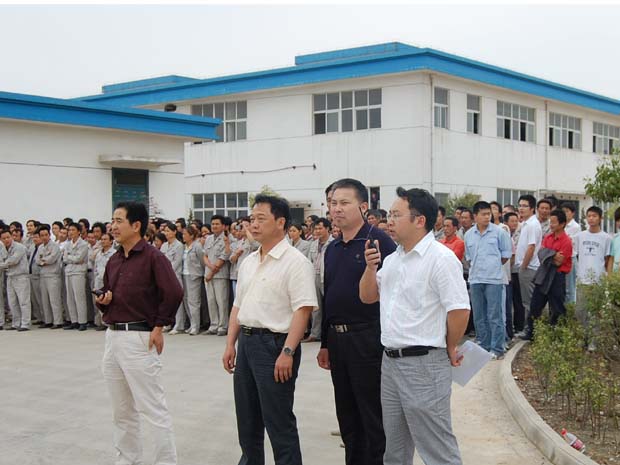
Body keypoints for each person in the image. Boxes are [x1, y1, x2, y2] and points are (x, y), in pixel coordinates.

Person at [359, 187, 470, 465]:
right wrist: (370, 268)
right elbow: (368, 297)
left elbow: (459, 310)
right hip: (390, 362)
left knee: (437, 449)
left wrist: (450, 345)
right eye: (389, 214)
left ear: (420, 220)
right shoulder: (393, 259)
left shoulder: (440, 259)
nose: (389, 221)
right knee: (395, 449)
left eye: (396, 215)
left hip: (424, 364)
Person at [222, 194, 317, 465]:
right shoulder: (249, 261)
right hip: (247, 344)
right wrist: (230, 344)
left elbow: (302, 310)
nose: (253, 224)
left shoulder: (295, 262)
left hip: (275, 346)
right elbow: (238, 306)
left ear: (281, 222)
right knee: (247, 420)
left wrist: (288, 351)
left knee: (278, 421)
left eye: (261, 219)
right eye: (252, 219)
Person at [96, 201, 183, 465]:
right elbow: (107, 291)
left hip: (138, 338)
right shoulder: (114, 260)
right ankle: (128, 459)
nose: (113, 226)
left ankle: (165, 462)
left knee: (152, 408)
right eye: (112, 220)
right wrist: (104, 300)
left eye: (118, 221)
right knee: (121, 410)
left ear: (136, 225)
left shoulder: (153, 257)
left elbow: (174, 292)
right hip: (113, 336)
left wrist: (159, 326)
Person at [320, 178, 397, 465]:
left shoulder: (379, 242)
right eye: (332, 203)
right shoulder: (333, 248)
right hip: (337, 341)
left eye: (344, 202)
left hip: (368, 339)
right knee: (347, 416)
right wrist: (325, 342)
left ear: (363, 206)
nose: (336, 209)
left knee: (372, 416)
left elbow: (392, 292)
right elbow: (329, 296)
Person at [465, 201, 512, 359]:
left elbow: (505, 255)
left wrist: (492, 266)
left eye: (488, 214)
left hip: (494, 280)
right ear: (475, 216)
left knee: (495, 315)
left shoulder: (499, 232)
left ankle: (497, 348)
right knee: (479, 315)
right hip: (475, 279)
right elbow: (469, 257)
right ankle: (483, 346)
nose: (487, 217)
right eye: (483, 214)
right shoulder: (469, 235)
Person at [521, 209, 573, 339]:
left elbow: (559, 261)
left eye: (554, 222)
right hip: (543, 274)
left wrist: (549, 255)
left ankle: (557, 334)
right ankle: (530, 332)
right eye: (551, 222)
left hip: (557, 276)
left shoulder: (566, 241)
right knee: (535, 304)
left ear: (562, 224)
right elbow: (541, 254)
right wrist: (553, 255)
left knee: (557, 307)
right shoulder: (548, 237)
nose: (551, 225)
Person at [574, 206, 612, 345]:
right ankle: (583, 337)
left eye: (594, 216)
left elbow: (607, 259)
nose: (591, 218)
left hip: (598, 280)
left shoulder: (606, 238)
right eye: (589, 216)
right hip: (582, 279)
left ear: (600, 218)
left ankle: (593, 342)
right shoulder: (579, 236)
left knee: (595, 312)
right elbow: (576, 255)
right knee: (580, 311)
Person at [515, 195, 543, 340]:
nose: (521, 208)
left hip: (529, 268)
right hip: (526, 267)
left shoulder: (532, 224)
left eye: (525, 206)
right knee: (527, 301)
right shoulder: (526, 224)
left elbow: (531, 247)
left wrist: (524, 266)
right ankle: (530, 330)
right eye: (520, 205)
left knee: (529, 302)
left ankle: (531, 331)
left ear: (532, 208)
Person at [303, 217, 334, 343]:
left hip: (328, 277)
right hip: (314, 277)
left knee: (329, 306)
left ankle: (330, 334)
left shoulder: (333, 243)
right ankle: (315, 334)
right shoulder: (313, 244)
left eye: (320, 228)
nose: (317, 231)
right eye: (315, 229)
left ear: (327, 229)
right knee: (316, 308)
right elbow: (308, 261)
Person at [203, 215, 231, 336]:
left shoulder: (227, 238)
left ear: (223, 226)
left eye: (217, 224)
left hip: (220, 274)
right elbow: (204, 255)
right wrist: (209, 267)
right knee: (211, 301)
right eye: (213, 224)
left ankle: (222, 326)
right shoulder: (208, 238)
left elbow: (224, 256)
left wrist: (212, 271)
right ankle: (213, 325)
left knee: (221, 301)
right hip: (208, 274)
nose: (214, 226)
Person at [0, 228, 32, 331]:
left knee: (23, 301)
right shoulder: (4, 249)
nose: (6, 240)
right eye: (4, 238)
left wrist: (3, 264)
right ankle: (16, 323)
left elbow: (13, 261)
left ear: (11, 237)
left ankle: (25, 323)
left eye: (8, 237)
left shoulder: (19, 247)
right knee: (12, 302)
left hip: (21, 276)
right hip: (10, 276)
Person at [175, 225, 204, 335]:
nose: (183, 236)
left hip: (194, 276)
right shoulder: (184, 247)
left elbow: (202, 260)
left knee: (194, 301)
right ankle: (192, 324)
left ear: (191, 235)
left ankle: (196, 326)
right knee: (186, 300)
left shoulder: (197, 246)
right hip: (184, 274)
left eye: (185, 234)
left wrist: (200, 272)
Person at [161, 222, 188, 333]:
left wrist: (166, 271)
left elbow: (176, 262)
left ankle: (179, 325)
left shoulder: (179, 245)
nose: (166, 233)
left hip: (175, 276)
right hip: (164, 277)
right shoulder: (164, 245)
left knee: (177, 301)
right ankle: (167, 323)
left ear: (174, 232)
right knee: (166, 301)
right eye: (165, 231)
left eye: (168, 231)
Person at [63, 222, 89, 330]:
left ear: (79, 231)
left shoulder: (83, 244)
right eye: (69, 230)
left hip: (78, 272)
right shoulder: (67, 244)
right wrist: (72, 258)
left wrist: (70, 257)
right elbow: (64, 258)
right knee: (70, 298)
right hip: (69, 271)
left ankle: (82, 321)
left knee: (79, 297)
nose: (71, 232)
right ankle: (74, 321)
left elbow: (79, 258)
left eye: (73, 230)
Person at [37, 224, 64, 329]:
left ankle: (58, 321)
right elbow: (37, 260)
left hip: (53, 275)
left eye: (46, 235)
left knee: (54, 299)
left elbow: (52, 259)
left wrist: (44, 260)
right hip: (43, 275)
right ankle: (48, 320)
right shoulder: (40, 247)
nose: (44, 237)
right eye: (42, 235)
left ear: (49, 235)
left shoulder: (55, 246)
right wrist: (44, 261)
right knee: (45, 300)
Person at [93, 232, 115, 330]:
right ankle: (102, 322)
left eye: (105, 239)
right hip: (98, 279)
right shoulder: (99, 253)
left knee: (108, 301)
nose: (103, 241)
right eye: (102, 239)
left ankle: (109, 322)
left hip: (108, 280)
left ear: (111, 241)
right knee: (99, 301)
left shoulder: (114, 253)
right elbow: (96, 267)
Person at [561, 202, 581, 304]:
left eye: (567, 211)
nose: (565, 214)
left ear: (573, 213)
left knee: (570, 288)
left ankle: (570, 309)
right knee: (562, 287)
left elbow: (571, 243)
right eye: (563, 211)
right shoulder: (560, 224)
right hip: (560, 259)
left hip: (570, 258)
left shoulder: (575, 227)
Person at [611, 207, 620, 272]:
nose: (619, 223)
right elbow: (611, 258)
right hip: (615, 275)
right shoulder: (615, 238)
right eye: (617, 220)